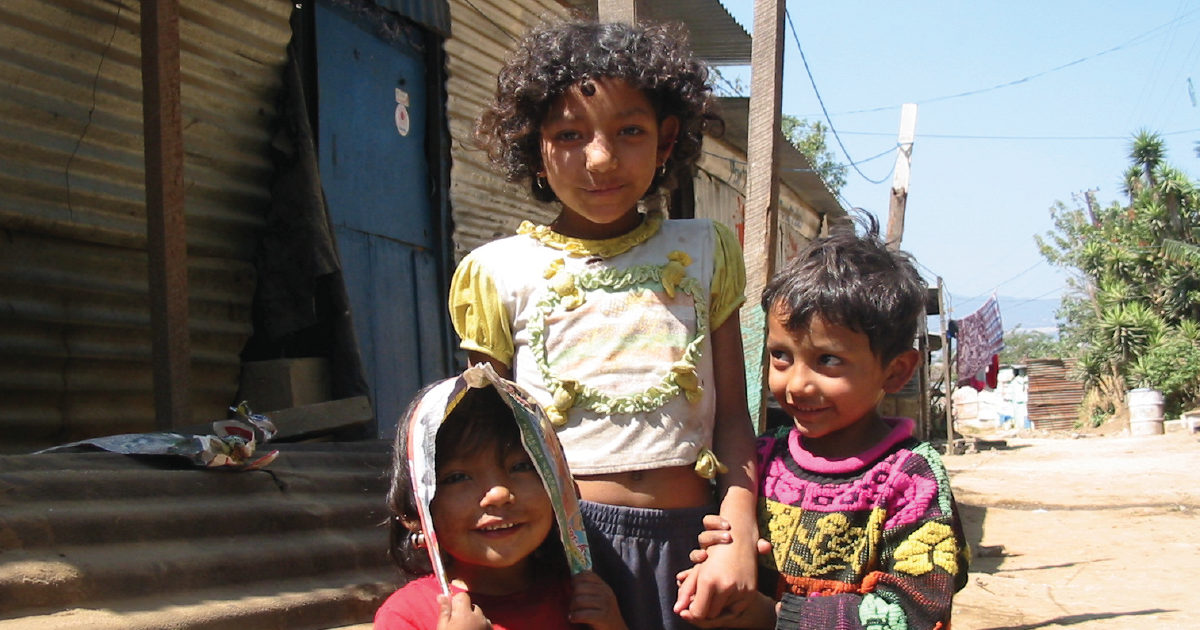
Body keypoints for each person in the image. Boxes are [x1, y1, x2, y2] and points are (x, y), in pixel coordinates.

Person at [450, 18, 759, 630]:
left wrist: (741, 529)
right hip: (562, 555)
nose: (600, 157)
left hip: (694, 546)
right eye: (569, 133)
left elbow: (731, 416)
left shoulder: (704, 251)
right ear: (534, 145)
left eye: (630, 131)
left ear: (666, 140)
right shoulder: (498, 272)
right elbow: (485, 445)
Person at [676, 215, 970, 629]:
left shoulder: (911, 479)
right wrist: (716, 567)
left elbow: (918, 607)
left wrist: (773, 617)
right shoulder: (759, 461)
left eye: (827, 360)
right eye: (781, 356)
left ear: (896, 371)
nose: (796, 385)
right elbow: (726, 553)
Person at [375, 370, 627, 630]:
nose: (499, 494)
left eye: (520, 467)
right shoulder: (406, 616)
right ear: (414, 513)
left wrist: (613, 625)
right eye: (458, 477)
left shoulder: (582, 598)